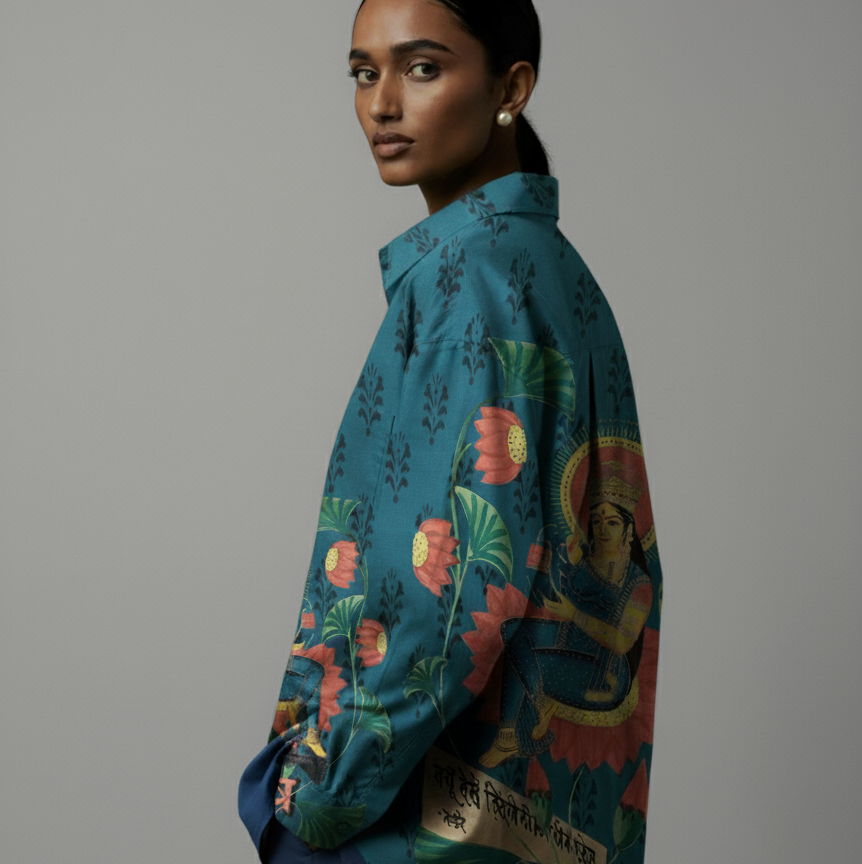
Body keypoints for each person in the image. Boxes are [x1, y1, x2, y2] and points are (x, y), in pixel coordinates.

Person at [239, 1, 662, 862]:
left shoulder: (465, 284)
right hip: (560, 827)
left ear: (511, 86)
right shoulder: (552, 273)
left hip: (418, 828)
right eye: (365, 72)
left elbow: (453, 596)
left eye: (422, 68)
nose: (383, 104)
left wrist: (310, 794)